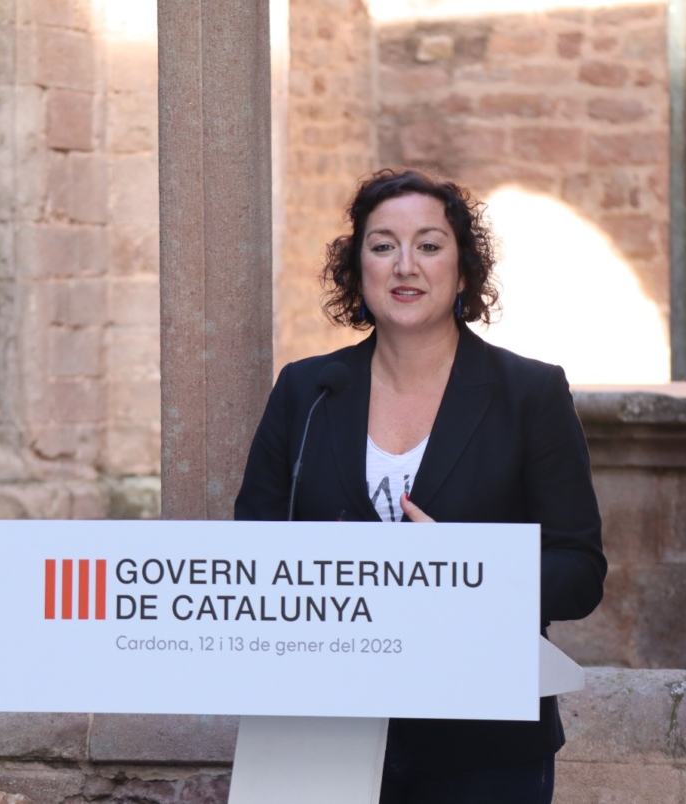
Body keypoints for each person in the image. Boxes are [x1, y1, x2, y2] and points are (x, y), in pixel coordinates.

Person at [235, 168, 606, 804]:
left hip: (480, 740)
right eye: (382, 246)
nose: (405, 265)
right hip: (319, 727)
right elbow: (251, 552)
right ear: (358, 271)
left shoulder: (531, 394)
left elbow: (579, 573)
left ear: (463, 271)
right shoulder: (307, 391)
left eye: (429, 245)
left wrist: (468, 565)